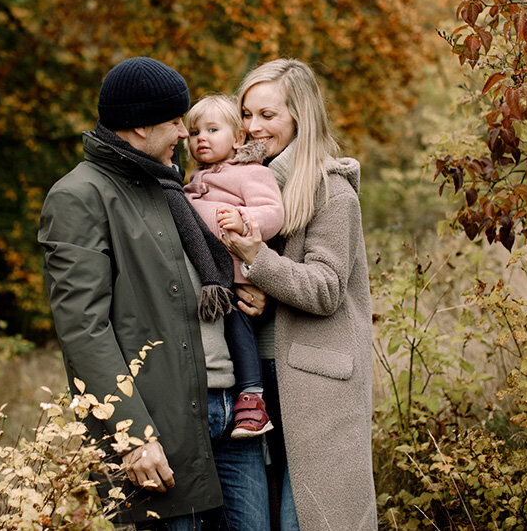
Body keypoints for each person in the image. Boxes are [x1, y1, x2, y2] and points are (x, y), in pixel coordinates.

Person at [37, 56, 269, 530]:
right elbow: (84, 331)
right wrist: (134, 435)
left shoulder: (171, 185)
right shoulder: (79, 196)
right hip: (162, 426)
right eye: (174, 122)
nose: (185, 133)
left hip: (230, 411)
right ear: (141, 128)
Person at [220, 59, 377, 531]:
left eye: (267, 115)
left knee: (307, 518)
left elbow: (326, 289)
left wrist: (257, 259)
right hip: (254, 377)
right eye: (246, 114)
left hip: (317, 383)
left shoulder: (331, 192)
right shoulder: (247, 185)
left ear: (300, 117)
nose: (252, 127)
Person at [183, 94, 285, 438]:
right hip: (211, 277)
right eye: (195, 131)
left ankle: (253, 399)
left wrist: (243, 219)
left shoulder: (250, 174)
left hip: (239, 275)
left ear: (238, 138)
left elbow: (273, 213)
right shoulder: (193, 179)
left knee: (240, 332)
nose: (202, 138)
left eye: (213, 129)